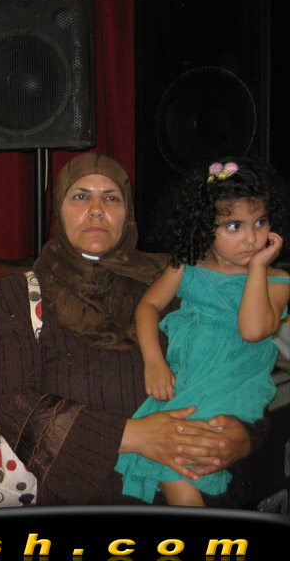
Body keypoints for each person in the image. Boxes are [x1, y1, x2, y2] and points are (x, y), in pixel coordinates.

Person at [0, 152, 260, 506]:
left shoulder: (176, 284)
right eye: (80, 196)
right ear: (58, 210)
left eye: (111, 198)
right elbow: (12, 401)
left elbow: (240, 369)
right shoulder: (20, 294)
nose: (96, 210)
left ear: (127, 212)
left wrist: (246, 437)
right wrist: (133, 436)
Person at [116, 156, 290, 506]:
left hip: (234, 385)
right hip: (189, 380)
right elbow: (148, 306)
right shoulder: (187, 266)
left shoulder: (277, 281)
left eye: (260, 222)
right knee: (173, 454)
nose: (252, 238)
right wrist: (154, 361)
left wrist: (258, 268)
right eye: (234, 226)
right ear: (203, 227)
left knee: (178, 456)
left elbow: (252, 329)